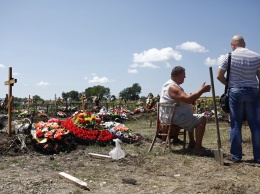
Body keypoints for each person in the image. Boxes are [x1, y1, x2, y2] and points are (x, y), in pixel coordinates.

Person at [217, 35, 260, 163]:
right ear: (244, 44)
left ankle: (236, 156)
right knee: (256, 125)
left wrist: (229, 84)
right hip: (253, 90)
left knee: (236, 124)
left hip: (235, 91)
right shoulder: (256, 56)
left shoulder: (229, 56)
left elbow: (219, 76)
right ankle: (258, 157)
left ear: (232, 44)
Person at [160, 66, 211, 155]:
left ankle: (192, 142)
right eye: (184, 75)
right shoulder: (173, 87)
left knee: (191, 114)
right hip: (173, 118)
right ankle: (197, 149)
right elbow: (188, 100)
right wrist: (202, 91)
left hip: (170, 116)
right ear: (179, 75)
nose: (185, 77)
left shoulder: (167, 85)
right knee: (202, 119)